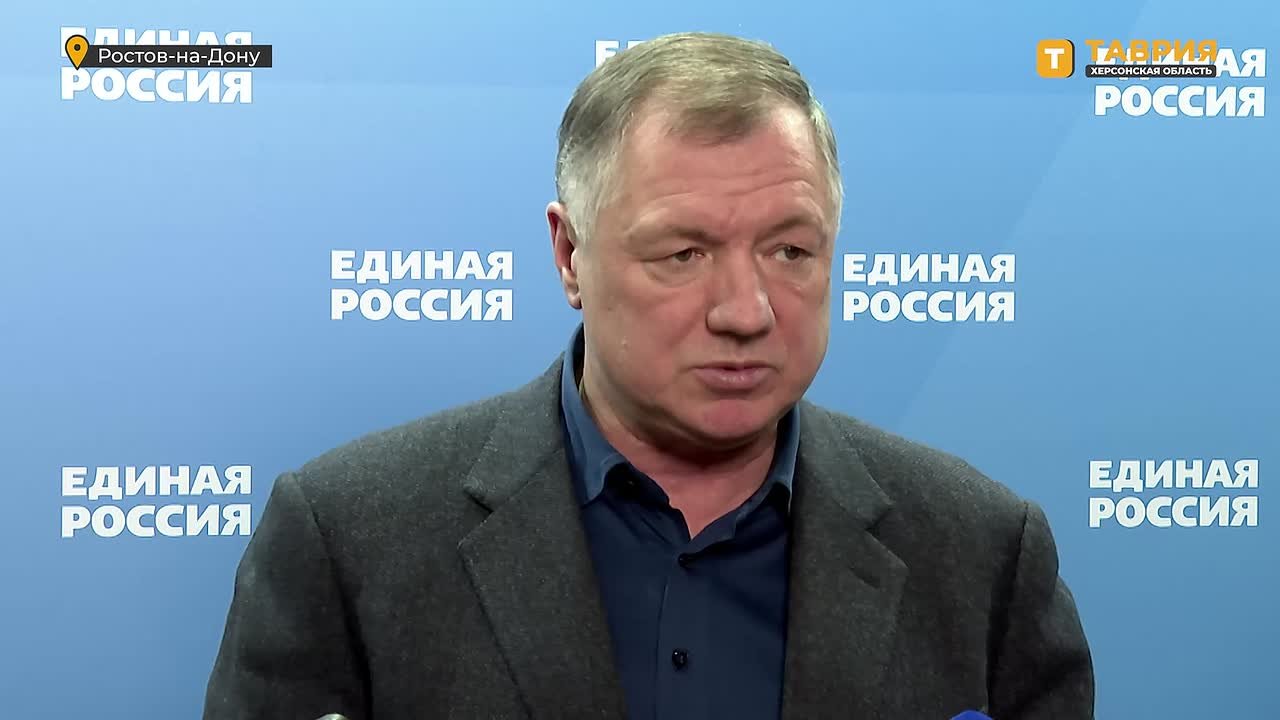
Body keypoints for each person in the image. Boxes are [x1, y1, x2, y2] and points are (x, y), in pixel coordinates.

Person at [203, 31, 1094, 720]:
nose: (746, 309)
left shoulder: (982, 554)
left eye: (790, 250)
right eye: (683, 253)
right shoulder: (350, 540)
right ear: (570, 256)